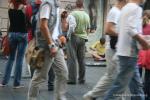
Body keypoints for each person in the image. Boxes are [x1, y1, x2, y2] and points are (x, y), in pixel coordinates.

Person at [104, 0, 150, 100]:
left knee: (135, 86)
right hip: (129, 53)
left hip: (124, 52)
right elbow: (130, 29)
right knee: (119, 87)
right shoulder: (136, 9)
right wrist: (143, 41)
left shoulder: (125, 8)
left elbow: (120, 29)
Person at [83, 0, 127, 99]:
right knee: (112, 76)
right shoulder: (115, 12)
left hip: (117, 48)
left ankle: (118, 97)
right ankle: (92, 95)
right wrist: (124, 34)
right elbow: (107, 30)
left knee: (119, 76)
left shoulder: (120, 11)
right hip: (112, 50)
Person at [27, 0, 68, 100]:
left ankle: (59, 98)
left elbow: (58, 28)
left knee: (63, 73)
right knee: (40, 76)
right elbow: (43, 26)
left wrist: (61, 33)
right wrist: (51, 45)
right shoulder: (47, 4)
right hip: (47, 46)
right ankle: (31, 98)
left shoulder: (57, 5)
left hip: (56, 44)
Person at [0, 0, 27, 88]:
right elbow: (27, 21)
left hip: (12, 33)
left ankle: (4, 82)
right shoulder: (24, 7)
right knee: (19, 59)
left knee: (10, 59)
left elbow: (10, 22)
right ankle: (16, 83)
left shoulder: (10, 5)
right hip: (22, 34)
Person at [67, 0, 90, 84]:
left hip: (74, 37)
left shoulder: (73, 14)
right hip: (83, 38)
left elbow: (71, 27)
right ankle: (82, 79)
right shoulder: (86, 15)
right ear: (82, 5)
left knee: (72, 59)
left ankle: (72, 79)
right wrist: (85, 37)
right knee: (82, 60)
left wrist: (68, 36)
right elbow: (88, 29)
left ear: (76, 4)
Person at [137, 10, 150, 100]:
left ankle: (137, 95)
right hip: (148, 54)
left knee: (137, 77)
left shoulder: (139, 26)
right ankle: (146, 96)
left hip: (139, 53)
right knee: (148, 78)